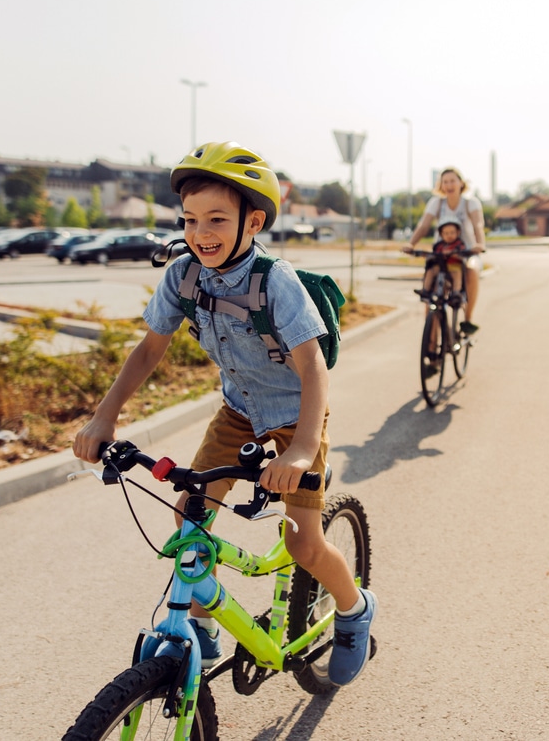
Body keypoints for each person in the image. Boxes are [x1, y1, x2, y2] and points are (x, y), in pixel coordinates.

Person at [72, 141, 376, 687]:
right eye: (190, 219)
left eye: (216, 218)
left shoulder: (274, 281)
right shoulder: (184, 275)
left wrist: (303, 448)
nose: (200, 232)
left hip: (293, 415)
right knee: (190, 514)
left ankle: (354, 611)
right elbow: (148, 351)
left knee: (301, 543)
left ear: (252, 221)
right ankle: (206, 627)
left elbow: (313, 369)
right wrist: (104, 418)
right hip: (238, 412)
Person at [403, 167, 486, 334]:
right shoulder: (436, 203)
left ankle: (467, 319)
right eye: (445, 182)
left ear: (461, 183)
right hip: (441, 253)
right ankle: (431, 345)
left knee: (471, 271)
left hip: (466, 252)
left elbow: (478, 224)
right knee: (431, 298)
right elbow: (424, 225)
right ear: (441, 185)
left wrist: (480, 243)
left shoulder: (471, 202)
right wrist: (411, 244)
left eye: (452, 181)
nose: (449, 185)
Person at [423, 218, 467, 300]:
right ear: (441, 234)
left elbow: (462, 254)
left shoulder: (459, 244)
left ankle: (456, 292)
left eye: (452, 233)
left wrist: (453, 254)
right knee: (430, 271)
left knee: (457, 274)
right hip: (441, 266)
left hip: (454, 266)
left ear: (458, 233)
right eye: (446, 233)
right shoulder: (439, 245)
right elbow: (434, 254)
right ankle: (425, 290)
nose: (449, 235)